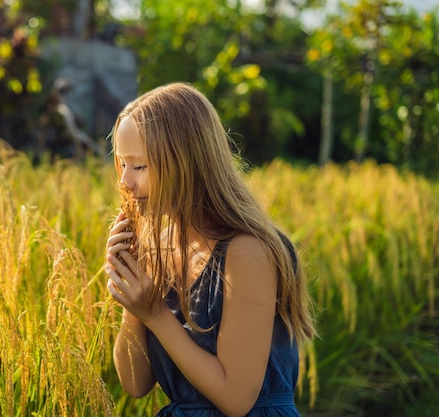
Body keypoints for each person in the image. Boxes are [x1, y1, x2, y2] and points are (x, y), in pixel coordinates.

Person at [104, 82, 316, 417]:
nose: (126, 183)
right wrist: (132, 298)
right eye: (122, 164)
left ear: (186, 163)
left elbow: (236, 400)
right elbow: (135, 384)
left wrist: (156, 314)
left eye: (139, 166)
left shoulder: (246, 252)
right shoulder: (157, 247)